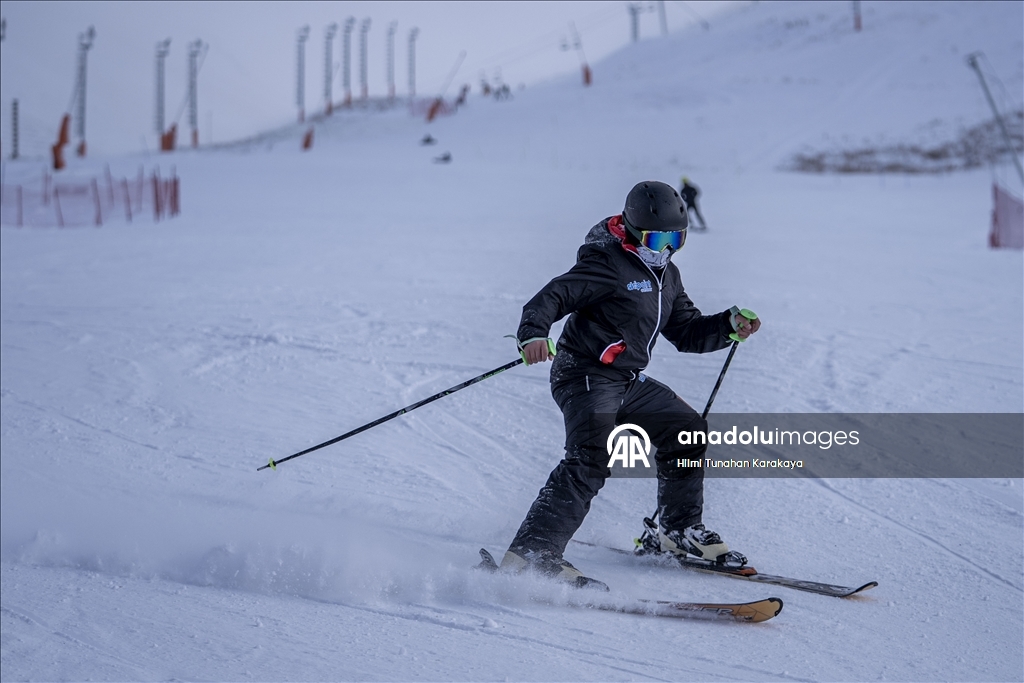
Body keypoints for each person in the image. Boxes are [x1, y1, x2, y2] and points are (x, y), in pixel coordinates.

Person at [501, 180, 759, 586]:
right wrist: (533, 333)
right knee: (591, 456)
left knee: (686, 429)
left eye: (676, 239)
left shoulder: (667, 275)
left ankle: (677, 532)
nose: (665, 248)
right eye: (657, 238)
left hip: (627, 380)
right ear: (634, 229)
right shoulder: (605, 263)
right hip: (583, 374)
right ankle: (534, 552)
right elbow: (552, 296)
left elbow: (687, 331)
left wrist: (727, 325)